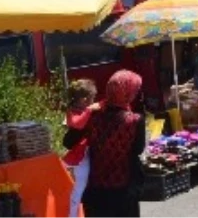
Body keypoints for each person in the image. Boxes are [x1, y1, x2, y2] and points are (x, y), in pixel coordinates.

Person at [63, 70, 145, 218]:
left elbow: (68, 142)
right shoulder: (135, 120)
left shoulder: (93, 115)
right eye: (135, 91)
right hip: (124, 190)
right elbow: (138, 150)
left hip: (96, 190)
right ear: (127, 93)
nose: (136, 94)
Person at [62, 79, 97, 218]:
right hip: (80, 157)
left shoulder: (81, 110)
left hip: (85, 154)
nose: (94, 101)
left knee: (83, 189)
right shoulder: (75, 112)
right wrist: (90, 110)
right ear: (84, 100)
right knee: (78, 190)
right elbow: (77, 124)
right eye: (92, 98)